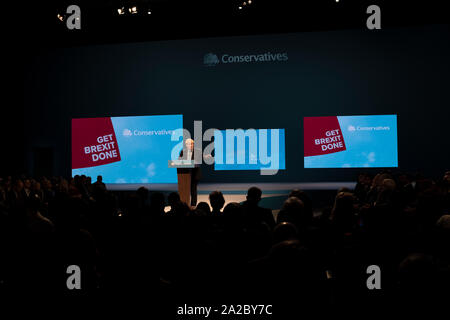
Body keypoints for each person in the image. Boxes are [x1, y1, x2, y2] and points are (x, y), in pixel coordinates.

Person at [178, 138, 202, 206]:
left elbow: (198, 161)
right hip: (185, 175)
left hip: (194, 175)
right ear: (186, 145)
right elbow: (179, 160)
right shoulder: (183, 151)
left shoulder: (197, 151)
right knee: (185, 191)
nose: (191, 145)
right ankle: (184, 205)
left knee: (193, 191)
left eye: (192, 143)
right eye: (189, 144)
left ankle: (193, 206)